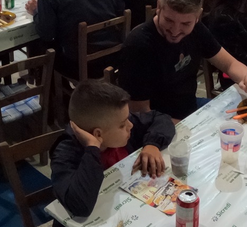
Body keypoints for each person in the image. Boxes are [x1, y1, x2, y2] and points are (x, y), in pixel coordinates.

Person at [120, 0, 247, 120]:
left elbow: (230, 64)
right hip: (159, 124)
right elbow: (140, 113)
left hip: (190, 107)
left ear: (198, 16)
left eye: (185, 23)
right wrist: (188, 125)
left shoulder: (197, 30)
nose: (175, 31)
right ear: (158, 6)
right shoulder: (138, 45)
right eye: (169, 20)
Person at [51, 80, 176, 218]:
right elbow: (80, 207)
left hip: (131, 205)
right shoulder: (66, 153)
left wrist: (152, 144)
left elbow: (161, 119)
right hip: (97, 222)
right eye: (123, 125)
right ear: (98, 134)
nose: (130, 125)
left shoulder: (116, 121)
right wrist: (92, 148)